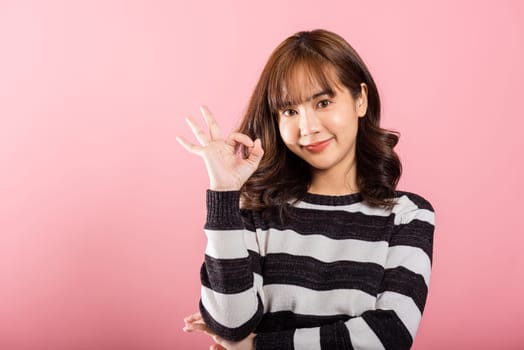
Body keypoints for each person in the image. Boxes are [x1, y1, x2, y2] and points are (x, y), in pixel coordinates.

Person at [177, 29, 435, 350]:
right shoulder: (255, 210)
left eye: (323, 102)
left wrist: (256, 347)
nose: (308, 127)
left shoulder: (407, 216)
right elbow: (230, 323)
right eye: (290, 111)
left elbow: (388, 336)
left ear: (360, 99)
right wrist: (224, 193)